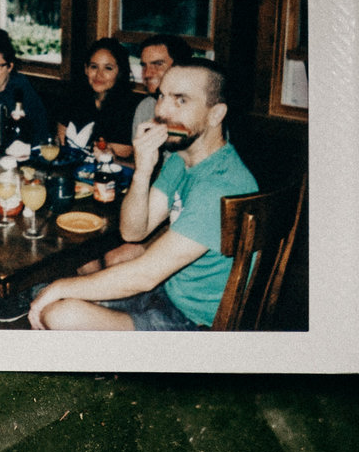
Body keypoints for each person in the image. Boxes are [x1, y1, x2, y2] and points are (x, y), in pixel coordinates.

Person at [24, 60, 259, 331]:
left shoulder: (221, 186)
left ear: (216, 114)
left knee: (59, 312)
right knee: (46, 294)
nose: (162, 110)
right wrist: (143, 169)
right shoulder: (181, 159)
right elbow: (133, 232)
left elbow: (146, 275)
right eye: (162, 96)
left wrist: (59, 287)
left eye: (180, 100)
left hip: (194, 323)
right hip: (165, 293)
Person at [52, 37, 141, 158]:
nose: (99, 75)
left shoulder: (130, 108)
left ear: (120, 72)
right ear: (86, 69)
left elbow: (119, 156)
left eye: (108, 68)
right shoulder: (74, 99)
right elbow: (60, 141)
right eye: (94, 66)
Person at [128, 35, 187, 139]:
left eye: (158, 64)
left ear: (180, 65)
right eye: (144, 66)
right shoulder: (146, 107)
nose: (147, 74)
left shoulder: (195, 110)